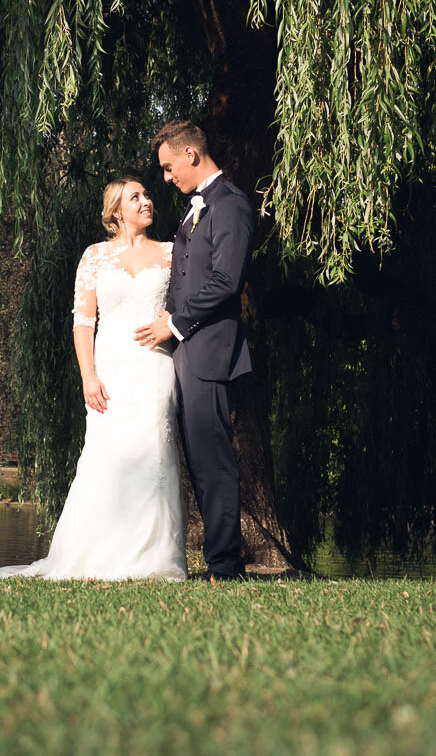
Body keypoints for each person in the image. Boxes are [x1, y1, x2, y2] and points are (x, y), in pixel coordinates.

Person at [0, 178, 187, 581]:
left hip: (153, 367)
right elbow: (83, 322)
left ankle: (153, 558)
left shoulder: (170, 253)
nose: (147, 201)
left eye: (146, 196)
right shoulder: (94, 256)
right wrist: (87, 376)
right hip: (108, 370)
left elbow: (186, 301)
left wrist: (171, 321)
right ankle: (96, 553)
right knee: (105, 457)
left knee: (154, 455)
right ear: (116, 212)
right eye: (136, 197)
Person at [134, 120, 254, 581]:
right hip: (189, 351)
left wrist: (175, 322)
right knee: (201, 461)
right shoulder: (197, 207)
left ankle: (225, 566)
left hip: (209, 352)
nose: (167, 179)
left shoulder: (231, 205)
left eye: (168, 168)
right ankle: (220, 561)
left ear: (190, 154)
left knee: (213, 462)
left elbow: (227, 280)